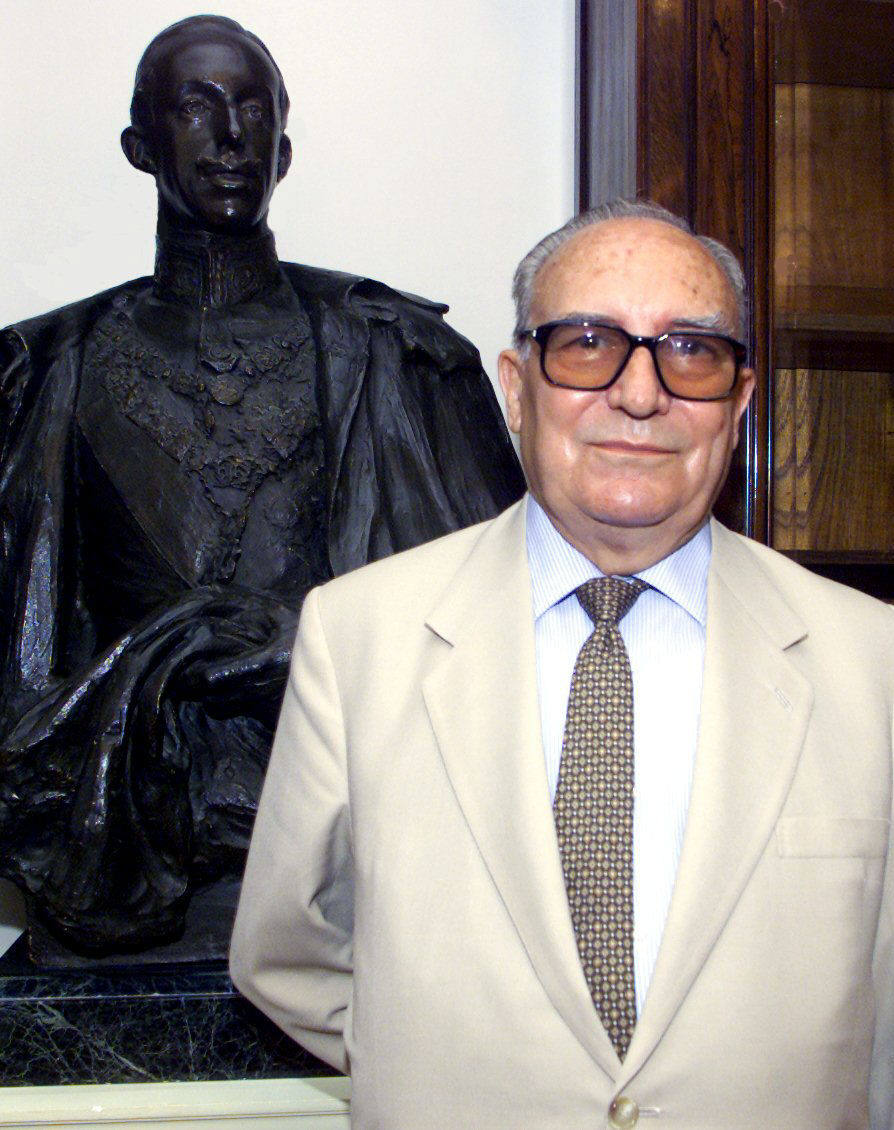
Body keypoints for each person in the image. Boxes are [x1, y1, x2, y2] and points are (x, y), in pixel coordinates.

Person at [230, 198, 894, 1129]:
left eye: (691, 350)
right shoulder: (358, 636)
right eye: (588, 343)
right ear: (516, 386)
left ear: (740, 404)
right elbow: (288, 954)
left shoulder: (872, 661)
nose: (640, 394)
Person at [0, 15, 524, 959]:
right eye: (196, 108)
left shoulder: (400, 357)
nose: (232, 136)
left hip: (344, 844)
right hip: (113, 859)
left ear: (283, 151)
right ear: (139, 145)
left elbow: (502, 623)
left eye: (253, 110)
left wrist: (306, 647)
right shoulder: (39, 371)